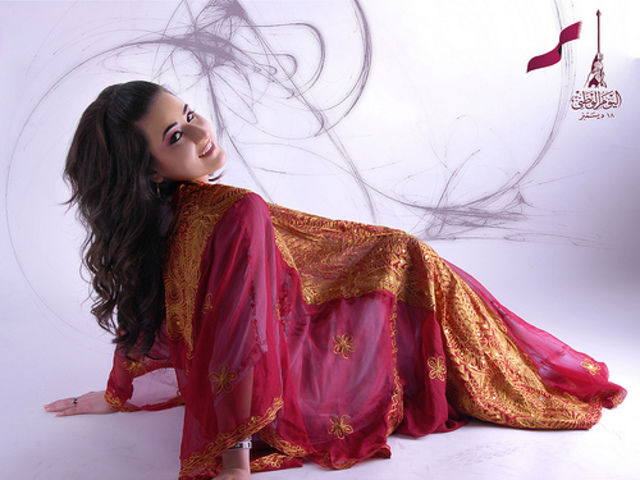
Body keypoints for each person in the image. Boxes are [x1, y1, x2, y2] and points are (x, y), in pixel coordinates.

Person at [44, 80, 626, 480]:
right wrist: (234, 458)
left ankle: (471, 348)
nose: (200, 136)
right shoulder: (234, 209)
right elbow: (235, 329)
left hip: (281, 351)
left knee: (401, 253)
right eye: (175, 137)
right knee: (414, 262)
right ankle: (507, 373)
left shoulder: (164, 218)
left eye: (190, 115)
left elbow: (163, 310)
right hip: (295, 382)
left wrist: (117, 394)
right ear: (149, 169)